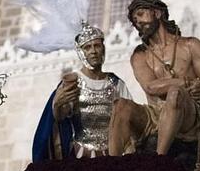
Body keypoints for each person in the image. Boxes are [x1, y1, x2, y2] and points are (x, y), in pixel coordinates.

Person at [108, 0, 200, 171]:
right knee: (121, 105)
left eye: (141, 14)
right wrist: (185, 82)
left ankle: (158, 161)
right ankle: (109, 166)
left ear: (158, 13)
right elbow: (150, 87)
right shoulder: (140, 55)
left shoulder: (190, 45)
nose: (137, 22)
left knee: (175, 93)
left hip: (188, 114)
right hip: (155, 114)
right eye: (134, 20)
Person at [32, 22, 132, 162]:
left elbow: (129, 118)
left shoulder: (116, 83)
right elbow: (59, 119)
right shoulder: (72, 83)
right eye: (87, 47)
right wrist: (56, 107)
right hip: (80, 155)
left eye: (97, 46)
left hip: (112, 155)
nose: (93, 51)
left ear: (103, 49)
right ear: (81, 52)